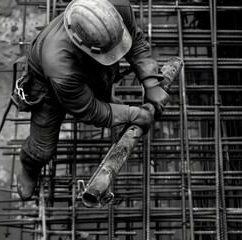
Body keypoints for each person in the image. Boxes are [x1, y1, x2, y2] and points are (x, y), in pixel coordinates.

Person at [13, 0, 169, 200]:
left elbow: (135, 42)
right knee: (42, 150)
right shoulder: (59, 63)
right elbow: (89, 110)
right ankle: (29, 167)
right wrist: (133, 114)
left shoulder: (117, 6)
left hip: (89, 65)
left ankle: (109, 101)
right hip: (46, 85)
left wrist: (150, 81)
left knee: (104, 89)